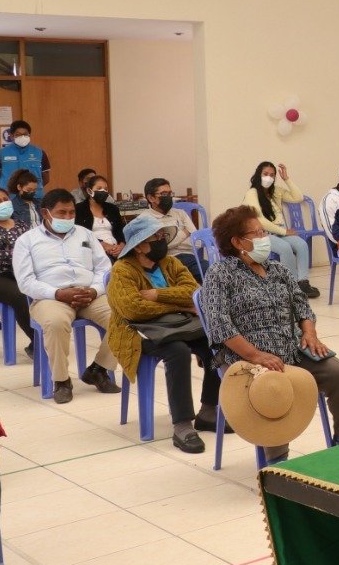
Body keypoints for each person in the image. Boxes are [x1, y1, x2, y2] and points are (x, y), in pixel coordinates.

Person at [200, 205, 339, 463]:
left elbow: (302, 306)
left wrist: (309, 333)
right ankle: (278, 463)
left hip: (290, 349)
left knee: (338, 372)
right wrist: (256, 355)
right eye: (257, 233)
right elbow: (220, 325)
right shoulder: (221, 274)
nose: (264, 238)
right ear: (237, 241)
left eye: (264, 231)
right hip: (247, 358)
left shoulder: (278, 270)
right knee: (273, 388)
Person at [105, 215, 221, 453]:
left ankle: (209, 410)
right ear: (138, 246)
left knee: (217, 342)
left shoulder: (171, 263)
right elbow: (133, 309)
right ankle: (182, 425)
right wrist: (179, 304)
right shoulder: (122, 270)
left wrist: (158, 295)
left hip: (177, 323)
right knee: (177, 351)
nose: (162, 241)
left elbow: (194, 291)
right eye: (155, 237)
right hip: (138, 331)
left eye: (162, 236)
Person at [13, 189, 120, 404]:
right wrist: (58, 293)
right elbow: (26, 282)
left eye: (71, 213)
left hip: (89, 294)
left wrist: (94, 290)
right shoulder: (27, 241)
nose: (68, 218)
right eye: (62, 213)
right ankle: (62, 381)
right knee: (55, 323)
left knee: (124, 316)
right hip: (50, 297)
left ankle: (98, 369)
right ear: (46, 213)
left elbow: (104, 269)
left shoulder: (86, 234)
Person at [242, 161, 319, 298]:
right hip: (261, 234)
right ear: (258, 174)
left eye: (272, 175)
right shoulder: (252, 193)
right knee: (285, 248)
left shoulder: (275, 191)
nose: (269, 178)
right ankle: (291, 285)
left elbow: (298, 197)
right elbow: (260, 220)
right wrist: (284, 232)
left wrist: (286, 179)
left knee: (301, 244)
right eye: (265, 174)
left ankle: (303, 282)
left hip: (278, 231)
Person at [139, 178, 202, 281]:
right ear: (151, 198)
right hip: (167, 261)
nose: (168, 197)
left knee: (215, 271)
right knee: (211, 274)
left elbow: (197, 242)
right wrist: (185, 233)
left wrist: (172, 240)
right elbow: (160, 248)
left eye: (170, 193)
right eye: (164, 194)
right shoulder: (145, 219)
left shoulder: (180, 213)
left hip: (191, 257)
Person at [0, 187, 34, 359]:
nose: (3, 204)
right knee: (20, 296)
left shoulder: (23, 225)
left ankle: (46, 337)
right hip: (1, 276)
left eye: (5, 199)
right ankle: (39, 341)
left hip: (24, 272)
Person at [74, 174, 125, 261]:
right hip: (92, 250)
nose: (103, 191)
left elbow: (121, 231)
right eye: (99, 188)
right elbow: (80, 234)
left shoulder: (112, 208)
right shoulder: (79, 209)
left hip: (116, 249)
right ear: (89, 191)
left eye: (105, 189)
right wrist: (103, 245)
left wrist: (121, 246)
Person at [0, 120, 50, 201]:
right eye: (18, 134)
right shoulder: (1, 153)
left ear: (29, 135)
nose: (22, 137)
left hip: (35, 198)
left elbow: (46, 178)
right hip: (9, 198)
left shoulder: (39, 153)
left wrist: (30, 189)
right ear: (12, 136)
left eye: (25, 134)